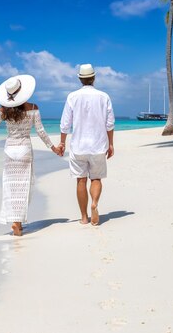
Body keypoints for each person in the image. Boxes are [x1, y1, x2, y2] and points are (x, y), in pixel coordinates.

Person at [0, 74, 62, 236]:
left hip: (9, 151)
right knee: (23, 187)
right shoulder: (33, 108)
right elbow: (41, 132)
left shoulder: (3, 110)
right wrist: (54, 147)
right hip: (25, 150)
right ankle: (17, 223)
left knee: (10, 188)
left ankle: (16, 223)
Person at [59, 64, 115, 226]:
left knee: (81, 181)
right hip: (98, 145)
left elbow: (65, 124)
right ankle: (95, 204)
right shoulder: (104, 97)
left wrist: (62, 142)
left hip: (78, 146)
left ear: (80, 79)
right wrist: (110, 144)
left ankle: (84, 217)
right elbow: (109, 124)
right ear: (94, 78)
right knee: (96, 178)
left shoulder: (72, 97)